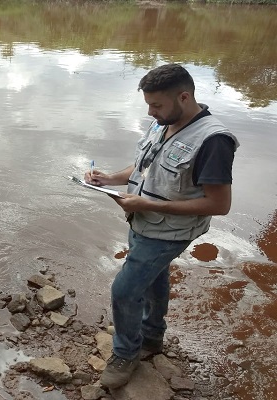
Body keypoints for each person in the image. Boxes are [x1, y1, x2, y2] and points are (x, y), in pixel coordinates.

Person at [84, 64, 239, 389]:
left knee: (124, 291)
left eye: (156, 105)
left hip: (168, 232)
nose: (151, 112)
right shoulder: (164, 122)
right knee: (155, 278)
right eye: (148, 105)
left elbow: (219, 204)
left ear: (184, 97)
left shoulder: (213, 141)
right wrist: (109, 178)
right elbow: (144, 165)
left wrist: (148, 204)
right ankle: (152, 336)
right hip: (142, 220)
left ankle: (126, 353)